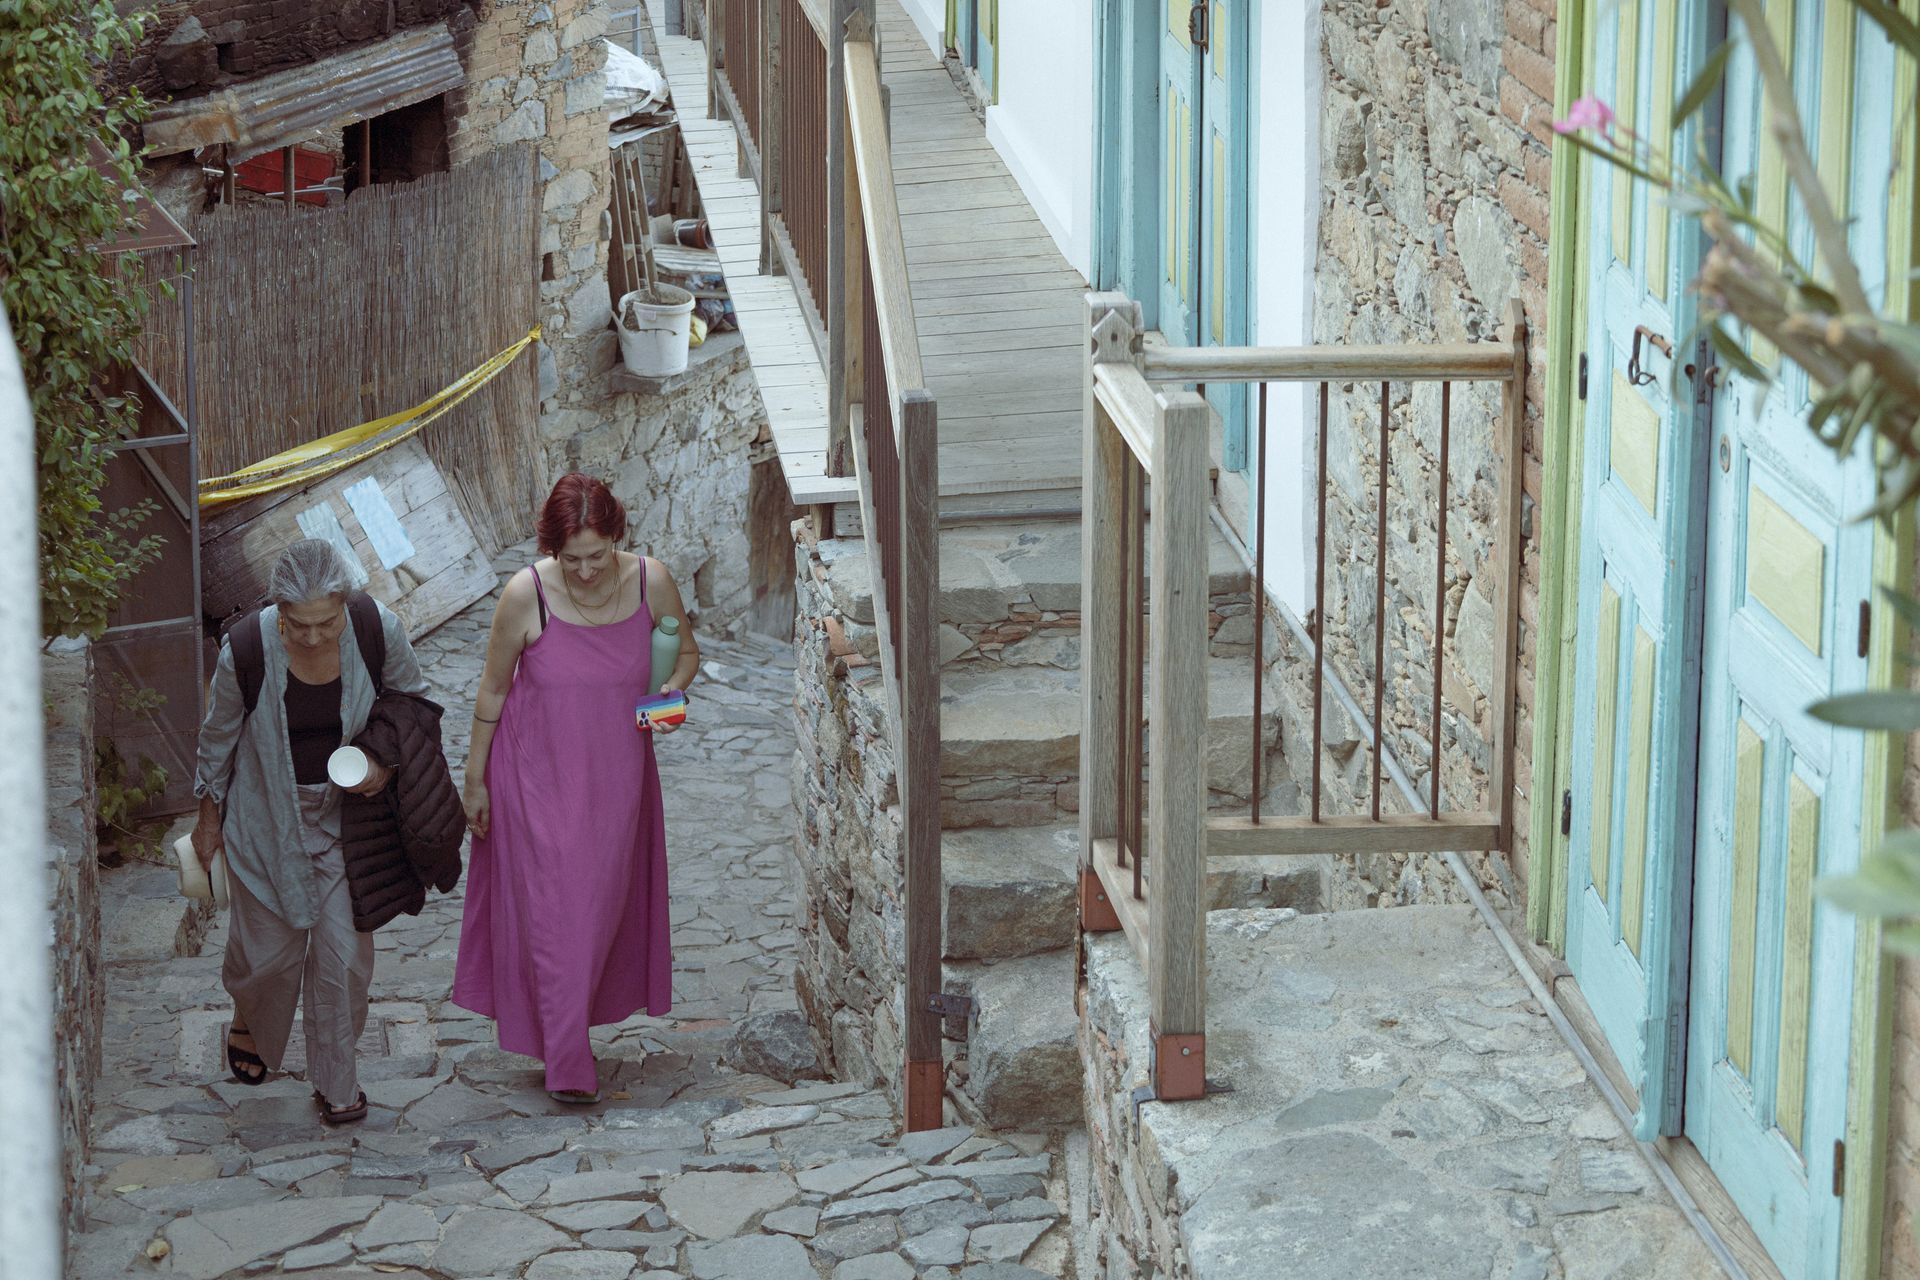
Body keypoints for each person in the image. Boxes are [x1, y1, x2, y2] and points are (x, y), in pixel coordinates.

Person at [454, 473, 700, 1102]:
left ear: (618, 536)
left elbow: (685, 654)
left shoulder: (651, 580)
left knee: (599, 910)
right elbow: (493, 691)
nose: (587, 571)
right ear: (551, 550)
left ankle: (566, 1034)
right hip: (535, 776)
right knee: (561, 914)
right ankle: (568, 1062)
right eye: (572, 559)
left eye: (598, 555)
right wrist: (474, 779)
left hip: (619, 778)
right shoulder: (526, 594)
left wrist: (669, 693)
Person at [192, 538, 429, 1124]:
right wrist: (208, 816)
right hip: (265, 817)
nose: (316, 637)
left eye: (328, 622)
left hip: (350, 821)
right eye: (300, 625)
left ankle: (337, 1085)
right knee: (266, 961)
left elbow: (412, 706)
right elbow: (219, 735)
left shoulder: (377, 629)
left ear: (346, 605)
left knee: (344, 963)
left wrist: (382, 764)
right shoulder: (247, 648)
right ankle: (251, 1012)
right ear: (279, 611)